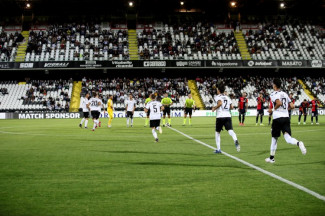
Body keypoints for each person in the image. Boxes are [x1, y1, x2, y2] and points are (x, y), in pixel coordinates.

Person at [265, 78, 306, 163]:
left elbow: (279, 103)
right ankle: (298, 143)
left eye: (273, 84)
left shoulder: (273, 94)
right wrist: (285, 110)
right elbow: (292, 106)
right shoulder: (285, 94)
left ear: (275, 85)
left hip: (277, 119)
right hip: (286, 118)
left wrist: (272, 110)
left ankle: (271, 158)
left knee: (274, 139)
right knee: (288, 138)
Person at [212, 84, 240, 153]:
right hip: (228, 115)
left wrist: (214, 108)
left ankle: (218, 149)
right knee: (230, 130)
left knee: (217, 132)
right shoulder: (227, 97)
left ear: (218, 90)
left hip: (220, 116)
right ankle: (235, 140)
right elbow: (231, 107)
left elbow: (220, 103)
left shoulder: (217, 97)